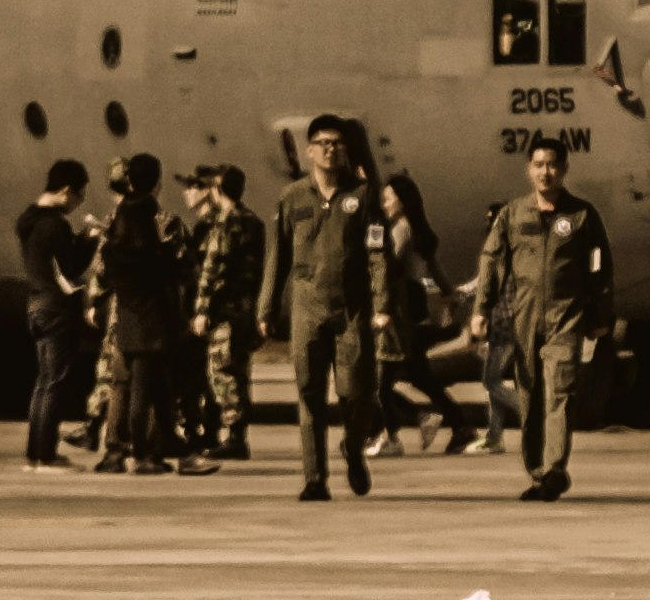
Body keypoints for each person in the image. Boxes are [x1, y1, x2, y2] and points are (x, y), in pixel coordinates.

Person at [470, 136, 611, 500]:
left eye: (552, 165)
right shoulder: (513, 215)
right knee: (530, 395)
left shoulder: (582, 216)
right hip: (524, 318)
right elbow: (492, 260)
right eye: (538, 165)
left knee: (560, 393)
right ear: (528, 170)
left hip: (566, 317)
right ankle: (536, 472)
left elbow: (598, 268)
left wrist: (600, 314)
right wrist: (481, 310)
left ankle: (554, 470)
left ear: (564, 169)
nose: (545, 172)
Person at [260, 116, 388, 502]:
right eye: (323, 143)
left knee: (356, 392)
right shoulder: (292, 197)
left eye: (337, 143)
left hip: (352, 309)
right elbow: (277, 256)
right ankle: (315, 478)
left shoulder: (364, 196)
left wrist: (381, 304)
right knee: (310, 393)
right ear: (310, 150)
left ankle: (353, 446)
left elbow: (377, 253)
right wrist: (266, 307)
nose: (331, 149)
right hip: (307, 307)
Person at [84, 159, 186, 474]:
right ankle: (147, 452)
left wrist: (94, 300)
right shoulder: (159, 219)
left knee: (119, 385)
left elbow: (102, 266)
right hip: (152, 315)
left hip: (122, 313)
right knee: (149, 386)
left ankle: (115, 450)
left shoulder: (114, 222)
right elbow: (176, 268)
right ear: (156, 183)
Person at [377, 171, 478, 453]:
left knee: (378, 379)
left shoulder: (400, 229)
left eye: (387, 199)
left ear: (402, 201)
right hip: (416, 306)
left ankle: (396, 431)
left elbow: (387, 266)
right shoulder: (418, 229)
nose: (384, 204)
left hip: (400, 306)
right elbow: (436, 270)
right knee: (418, 374)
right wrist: (450, 295)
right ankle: (460, 425)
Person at [178, 162, 262, 461]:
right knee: (237, 371)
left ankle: (234, 435)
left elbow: (213, 272)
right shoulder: (252, 221)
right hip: (243, 309)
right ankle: (234, 433)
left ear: (217, 189)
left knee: (221, 372)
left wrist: (201, 310)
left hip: (224, 311)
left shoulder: (227, 224)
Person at [12, 160, 91, 471]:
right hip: (57, 308)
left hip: (35, 305)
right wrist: (89, 240)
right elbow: (71, 268)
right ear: (66, 191)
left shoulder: (27, 221)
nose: (77, 204)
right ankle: (46, 455)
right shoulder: (55, 225)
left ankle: (34, 453)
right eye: (79, 197)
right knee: (56, 382)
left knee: (43, 383)